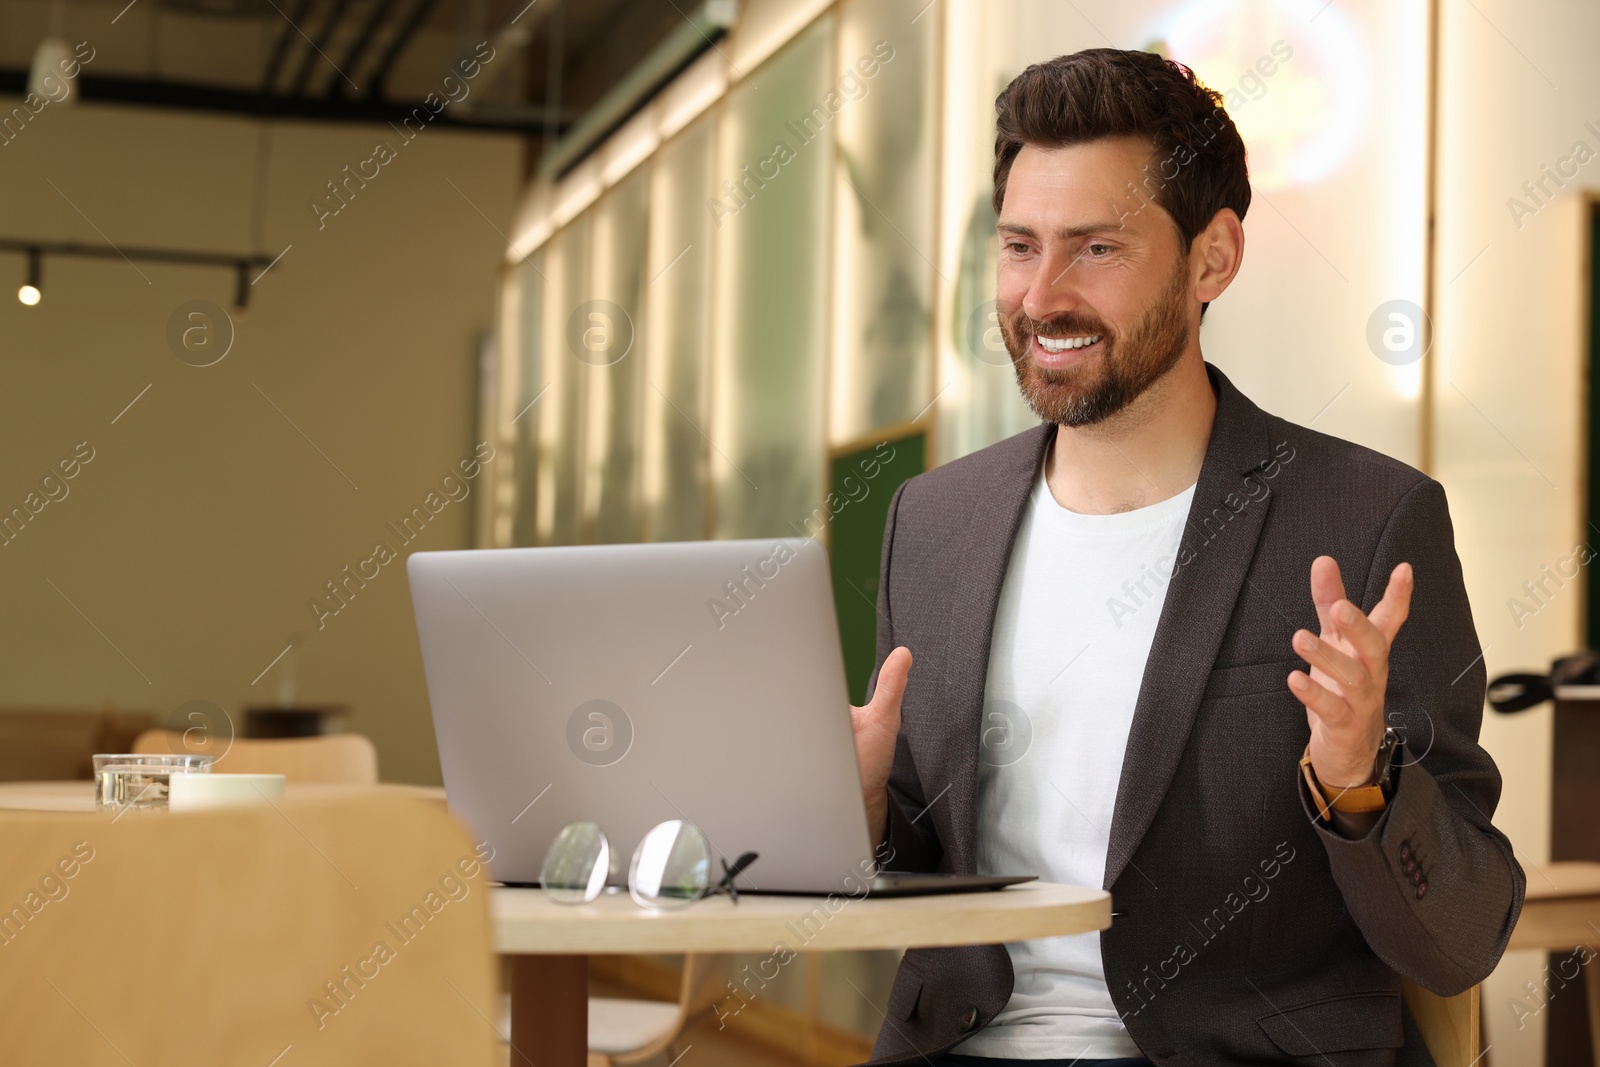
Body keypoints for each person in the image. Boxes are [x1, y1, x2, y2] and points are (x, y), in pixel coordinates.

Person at [848, 48, 1523, 1067]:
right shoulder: (933, 521)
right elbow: (914, 856)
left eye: (1097, 250)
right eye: (1020, 245)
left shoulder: (1365, 519)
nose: (1042, 295)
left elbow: (1462, 933)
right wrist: (853, 812)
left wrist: (1357, 782)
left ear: (1212, 258)